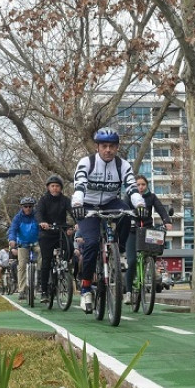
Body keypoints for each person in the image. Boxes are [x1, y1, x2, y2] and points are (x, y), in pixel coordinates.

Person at [69, 127, 147, 313]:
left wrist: (140, 205)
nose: (108, 150)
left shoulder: (122, 165)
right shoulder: (87, 162)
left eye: (112, 146)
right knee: (92, 243)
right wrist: (78, 203)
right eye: (104, 146)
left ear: (117, 147)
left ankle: (116, 251)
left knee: (128, 213)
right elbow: (79, 185)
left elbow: (131, 188)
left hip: (111, 202)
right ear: (97, 147)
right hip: (87, 204)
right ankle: (86, 288)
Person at [124, 175, 173, 302]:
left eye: (143, 185)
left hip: (147, 230)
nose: (140, 187)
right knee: (132, 261)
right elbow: (123, 210)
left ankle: (149, 268)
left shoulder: (151, 197)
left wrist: (167, 221)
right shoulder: (129, 196)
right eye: (138, 185)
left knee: (152, 253)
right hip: (132, 231)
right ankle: (128, 292)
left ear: (146, 186)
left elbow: (161, 209)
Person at [35, 174, 72, 301]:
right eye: (52, 186)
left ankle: (63, 266)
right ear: (48, 188)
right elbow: (38, 213)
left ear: (61, 188)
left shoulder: (65, 200)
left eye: (57, 186)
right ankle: (44, 290)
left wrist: (76, 224)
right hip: (47, 233)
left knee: (70, 248)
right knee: (46, 261)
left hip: (60, 231)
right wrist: (42, 222)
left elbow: (72, 211)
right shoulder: (43, 200)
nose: (55, 188)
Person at [8, 196, 40, 301]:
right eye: (25, 206)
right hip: (23, 244)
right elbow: (13, 229)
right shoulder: (18, 217)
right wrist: (12, 240)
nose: (28, 208)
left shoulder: (37, 216)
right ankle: (21, 290)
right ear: (22, 207)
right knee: (21, 265)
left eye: (30, 206)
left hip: (36, 243)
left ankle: (40, 282)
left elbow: (43, 226)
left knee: (42, 258)